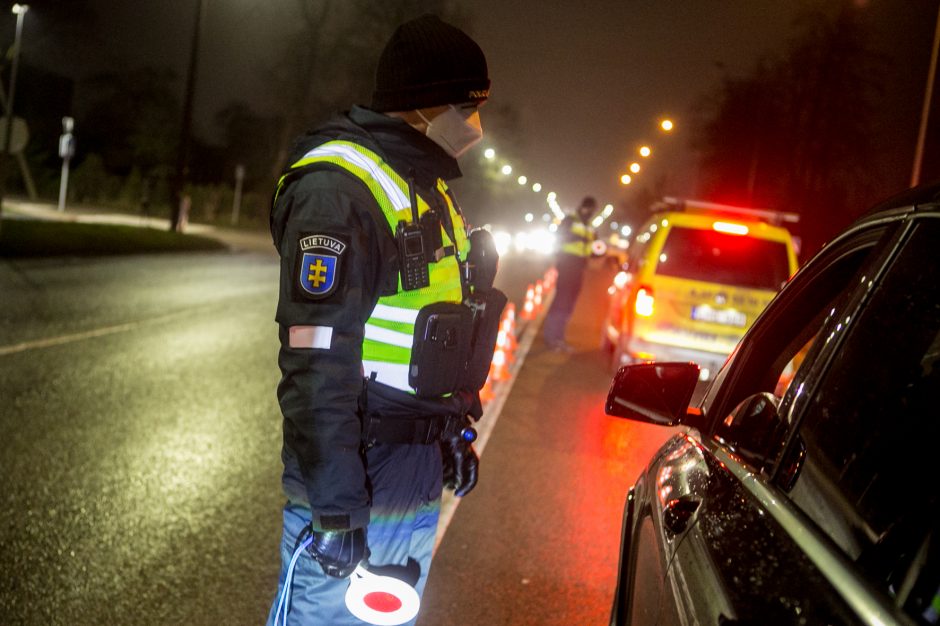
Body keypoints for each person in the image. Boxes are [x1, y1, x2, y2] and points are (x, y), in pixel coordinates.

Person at [265, 14, 505, 626]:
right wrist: (337, 508)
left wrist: (449, 433)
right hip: (357, 473)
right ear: (420, 103)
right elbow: (316, 361)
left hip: (409, 472)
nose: (473, 125)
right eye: (464, 105)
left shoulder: (423, 186)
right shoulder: (338, 191)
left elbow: (429, 335)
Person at [542, 196, 598, 352]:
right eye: (588, 209)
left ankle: (559, 337)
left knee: (569, 304)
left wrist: (598, 251)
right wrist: (576, 238)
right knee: (561, 301)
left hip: (579, 268)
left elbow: (592, 249)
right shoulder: (570, 220)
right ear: (583, 207)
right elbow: (560, 237)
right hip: (567, 266)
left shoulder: (590, 227)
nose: (589, 212)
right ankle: (551, 337)